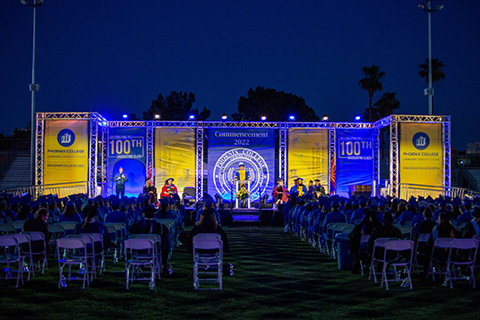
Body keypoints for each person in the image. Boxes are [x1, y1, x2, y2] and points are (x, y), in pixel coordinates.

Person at [130, 207, 171, 273]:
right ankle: (164, 265)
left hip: (139, 251)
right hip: (155, 252)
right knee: (165, 244)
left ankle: (139, 265)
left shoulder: (136, 226)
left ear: (143, 215)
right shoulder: (160, 227)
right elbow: (165, 244)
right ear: (154, 215)